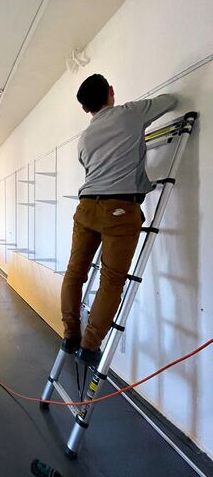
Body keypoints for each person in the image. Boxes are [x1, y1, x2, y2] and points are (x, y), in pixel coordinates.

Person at [61, 74, 177, 366]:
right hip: (120, 210)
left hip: (86, 207)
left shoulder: (84, 138)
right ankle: (89, 346)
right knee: (111, 281)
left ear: (85, 109)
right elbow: (170, 101)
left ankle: (70, 335)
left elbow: (88, 168)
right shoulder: (130, 113)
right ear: (111, 92)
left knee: (74, 274)